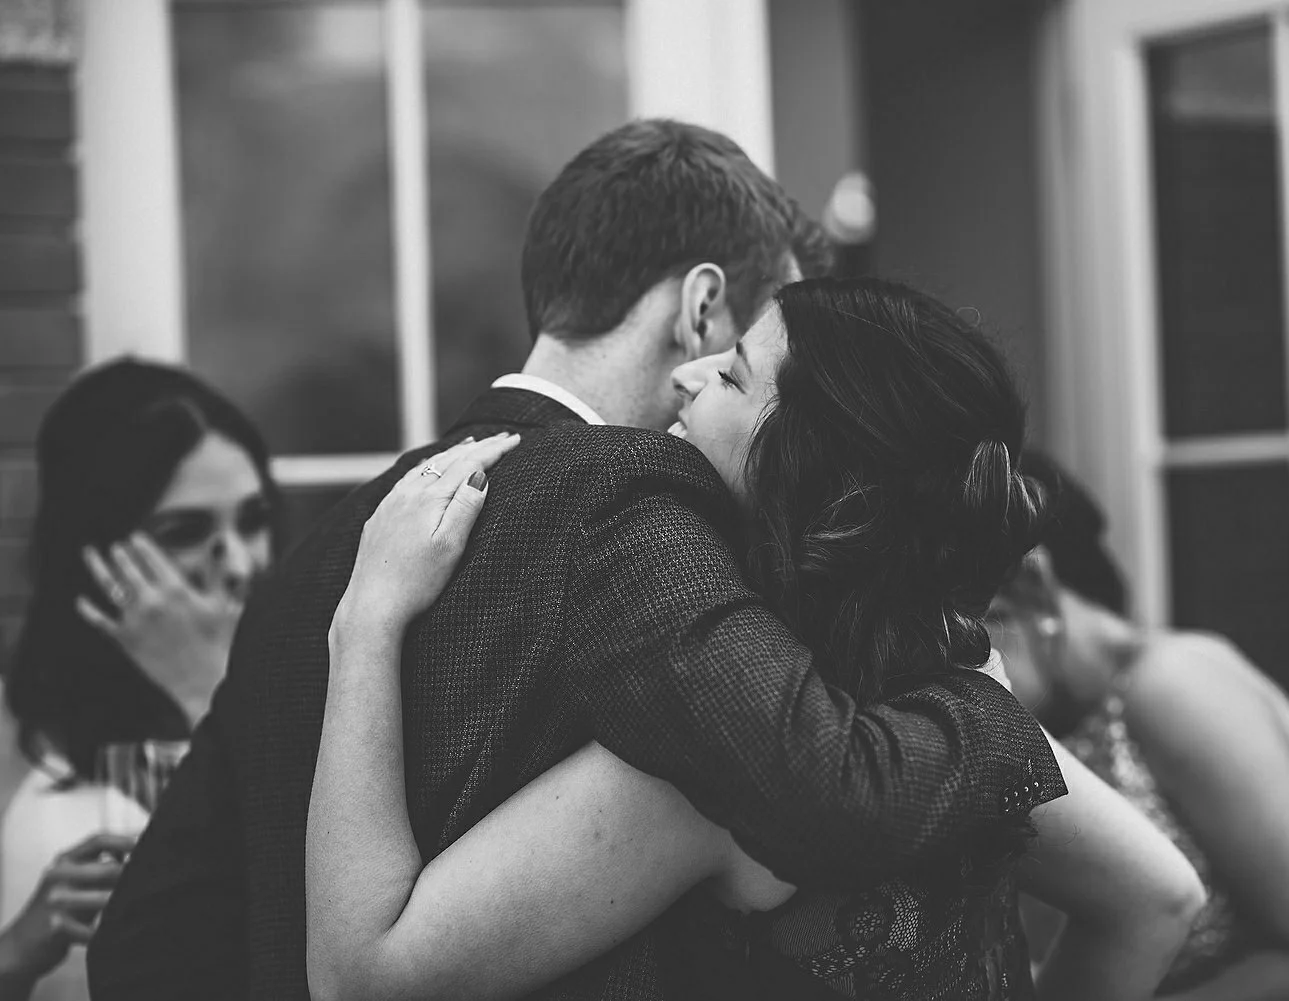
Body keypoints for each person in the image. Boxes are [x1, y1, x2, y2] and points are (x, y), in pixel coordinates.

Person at [90, 120, 1102, 1001]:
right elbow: (821, 779)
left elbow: (145, 944)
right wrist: (989, 702)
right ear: (702, 307)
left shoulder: (330, 549)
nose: (731, 368)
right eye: (754, 334)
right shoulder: (637, 503)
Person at [305, 278, 1208, 1000]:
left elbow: (365, 976)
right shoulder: (956, 698)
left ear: (795, 473)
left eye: (732, 375)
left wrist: (368, 624)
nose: (688, 376)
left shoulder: (709, 776)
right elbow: (1158, 899)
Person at [986, 452, 1289, 1000]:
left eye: (969, 633)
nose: (960, 675)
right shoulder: (1063, 723)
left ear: (1033, 590)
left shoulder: (1173, 687)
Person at [1, 359, 280, 1001]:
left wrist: (208, 686)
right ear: (94, 549)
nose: (238, 564)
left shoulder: (308, 689)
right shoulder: (20, 729)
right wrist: (12, 957)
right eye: (186, 532)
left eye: (253, 520)